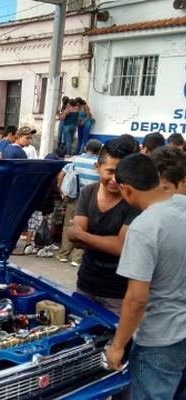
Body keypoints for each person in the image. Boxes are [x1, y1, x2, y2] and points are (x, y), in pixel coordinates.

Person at [105, 153, 186, 400]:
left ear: (126, 189)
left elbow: (137, 298)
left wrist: (118, 346)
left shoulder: (143, 227)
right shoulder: (182, 205)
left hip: (160, 340)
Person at [68, 139, 140, 315]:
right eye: (110, 171)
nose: (116, 179)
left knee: (113, 341)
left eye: (122, 173)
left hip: (118, 294)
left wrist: (84, 236)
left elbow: (120, 247)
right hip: (86, 285)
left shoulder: (134, 201)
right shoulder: (88, 192)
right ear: (97, 167)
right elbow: (74, 240)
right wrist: (106, 242)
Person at [56, 139, 103, 267]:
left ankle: (64, 254)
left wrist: (61, 191)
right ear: (99, 150)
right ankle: (77, 258)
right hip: (92, 198)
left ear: (86, 147)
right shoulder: (98, 163)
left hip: (74, 197)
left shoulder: (74, 159)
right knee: (86, 226)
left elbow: (61, 175)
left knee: (68, 225)